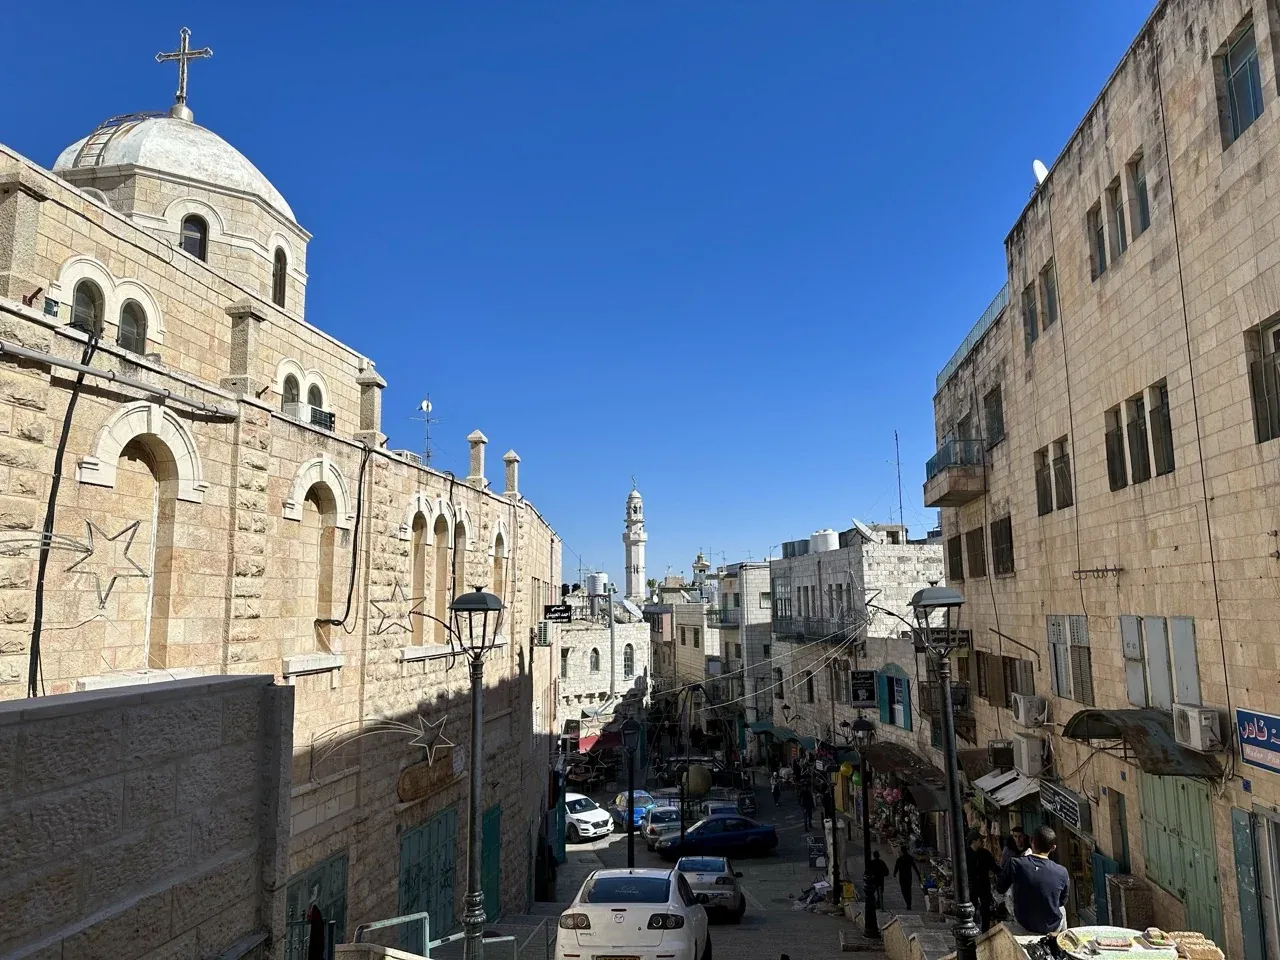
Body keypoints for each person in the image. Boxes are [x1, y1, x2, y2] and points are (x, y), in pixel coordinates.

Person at [995, 826, 1070, 936]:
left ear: (1031, 841)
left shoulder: (1015, 863)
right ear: (1053, 848)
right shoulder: (1062, 872)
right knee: (1062, 909)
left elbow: (1000, 888)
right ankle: (1062, 941)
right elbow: (1062, 901)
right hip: (1051, 925)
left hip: (1023, 922)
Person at [965, 829, 1000, 931]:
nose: (982, 841)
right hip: (971, 885)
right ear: (974, 841)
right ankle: (970, 929)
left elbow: (994, 868)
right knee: (971, 908)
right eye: (980, 839)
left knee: (986, 909)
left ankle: (985, 931)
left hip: (984, 885)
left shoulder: (985, 853)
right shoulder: (966, 854)